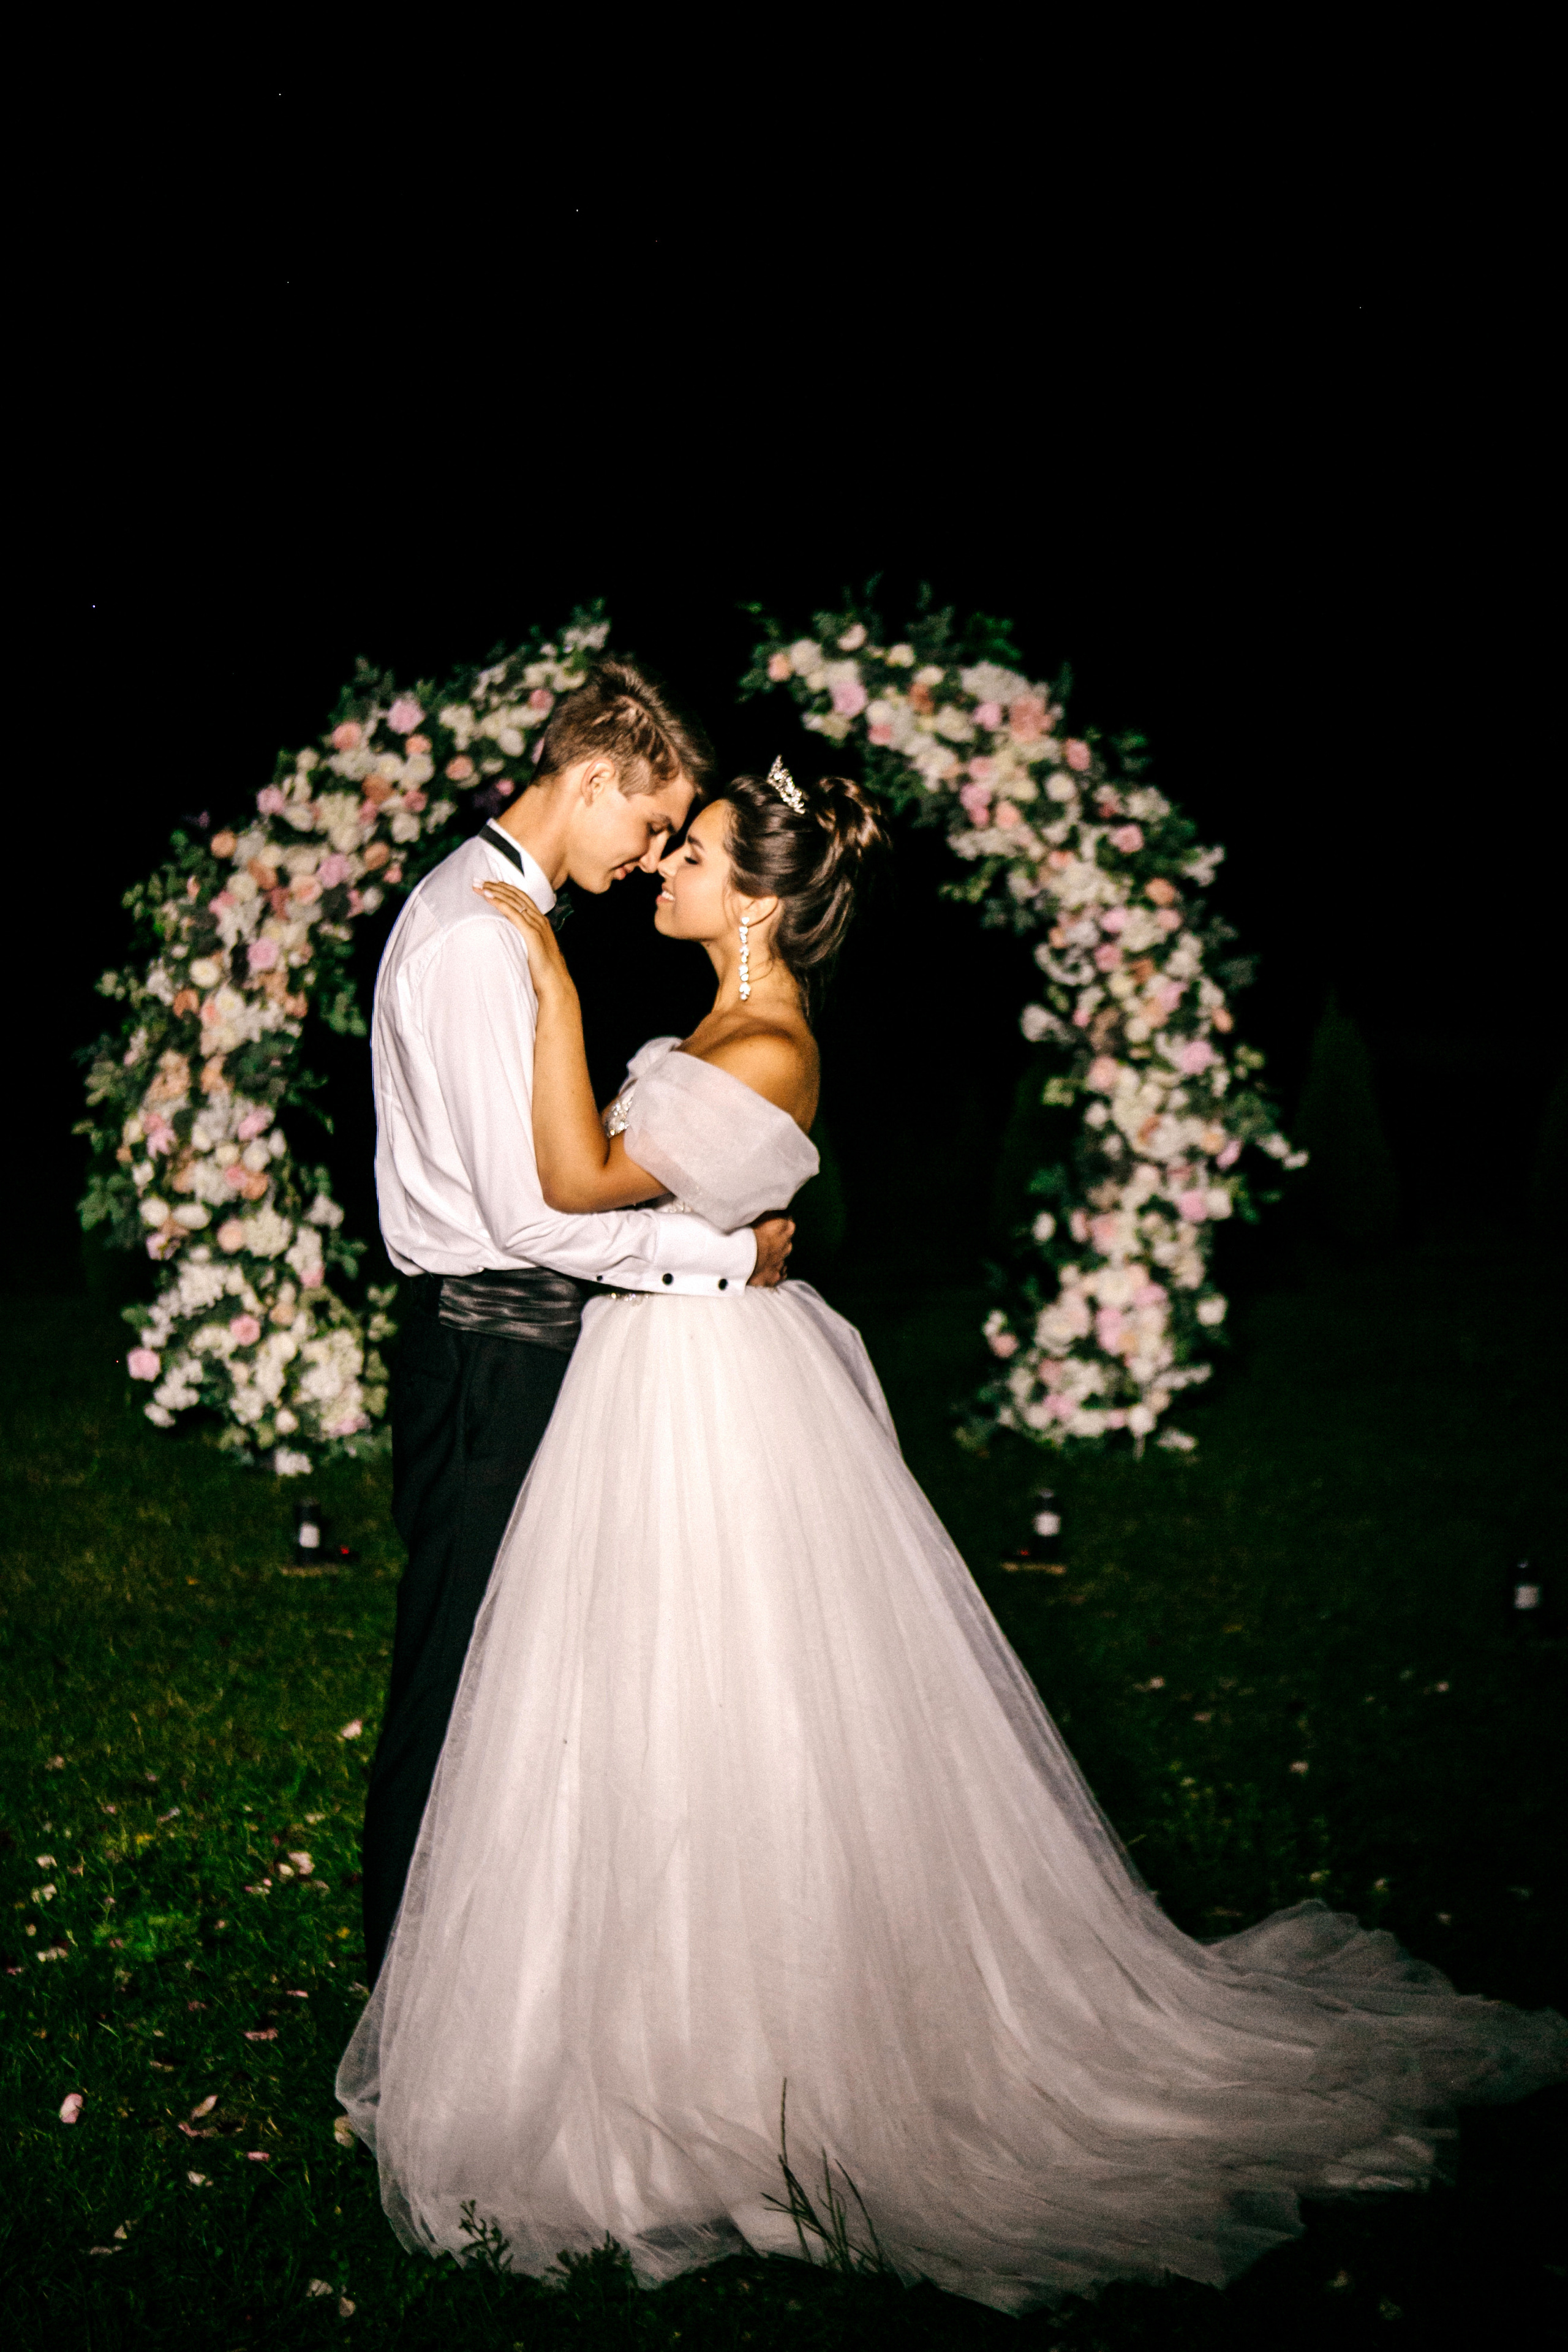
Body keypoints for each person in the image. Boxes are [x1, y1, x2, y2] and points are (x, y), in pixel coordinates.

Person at [339, 761, 1565, 2314]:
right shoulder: (728, 1021)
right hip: (647, 1375)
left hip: (707, 1400)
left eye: (697, 857)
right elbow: (610, 1208)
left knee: (747, 1699)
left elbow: (576, 1176)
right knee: (634, 1704)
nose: (665, 872)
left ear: (762, 900)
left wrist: (538, 977)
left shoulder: (768, 1037)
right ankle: (631, 2010)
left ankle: (755, 2047)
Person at [360, 665, 796, 1985]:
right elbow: (537, 1216)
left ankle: (495, 1975)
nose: (651, 854)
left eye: (674, 841)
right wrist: (722, 1249)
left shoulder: (484, 915)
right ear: (593, 778)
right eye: (650, 823)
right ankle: (406, 1989)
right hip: (491, 1346)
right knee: (456, 1681)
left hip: (513, 1344)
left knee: (514, 1680)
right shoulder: (480, 939)